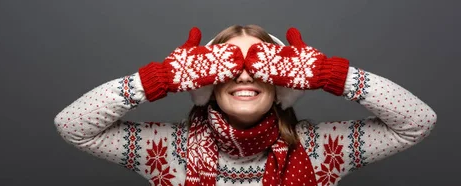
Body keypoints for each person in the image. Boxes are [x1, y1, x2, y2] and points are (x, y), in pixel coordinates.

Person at [54, 25, 437, 186]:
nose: (244, 76)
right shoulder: (165, 149)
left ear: (284, 83)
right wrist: (160, 79)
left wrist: (330, 74)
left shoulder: (324, 149)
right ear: (203, 81)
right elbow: (72, 125)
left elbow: (418, 122)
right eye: (227, 65)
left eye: (260, 65)